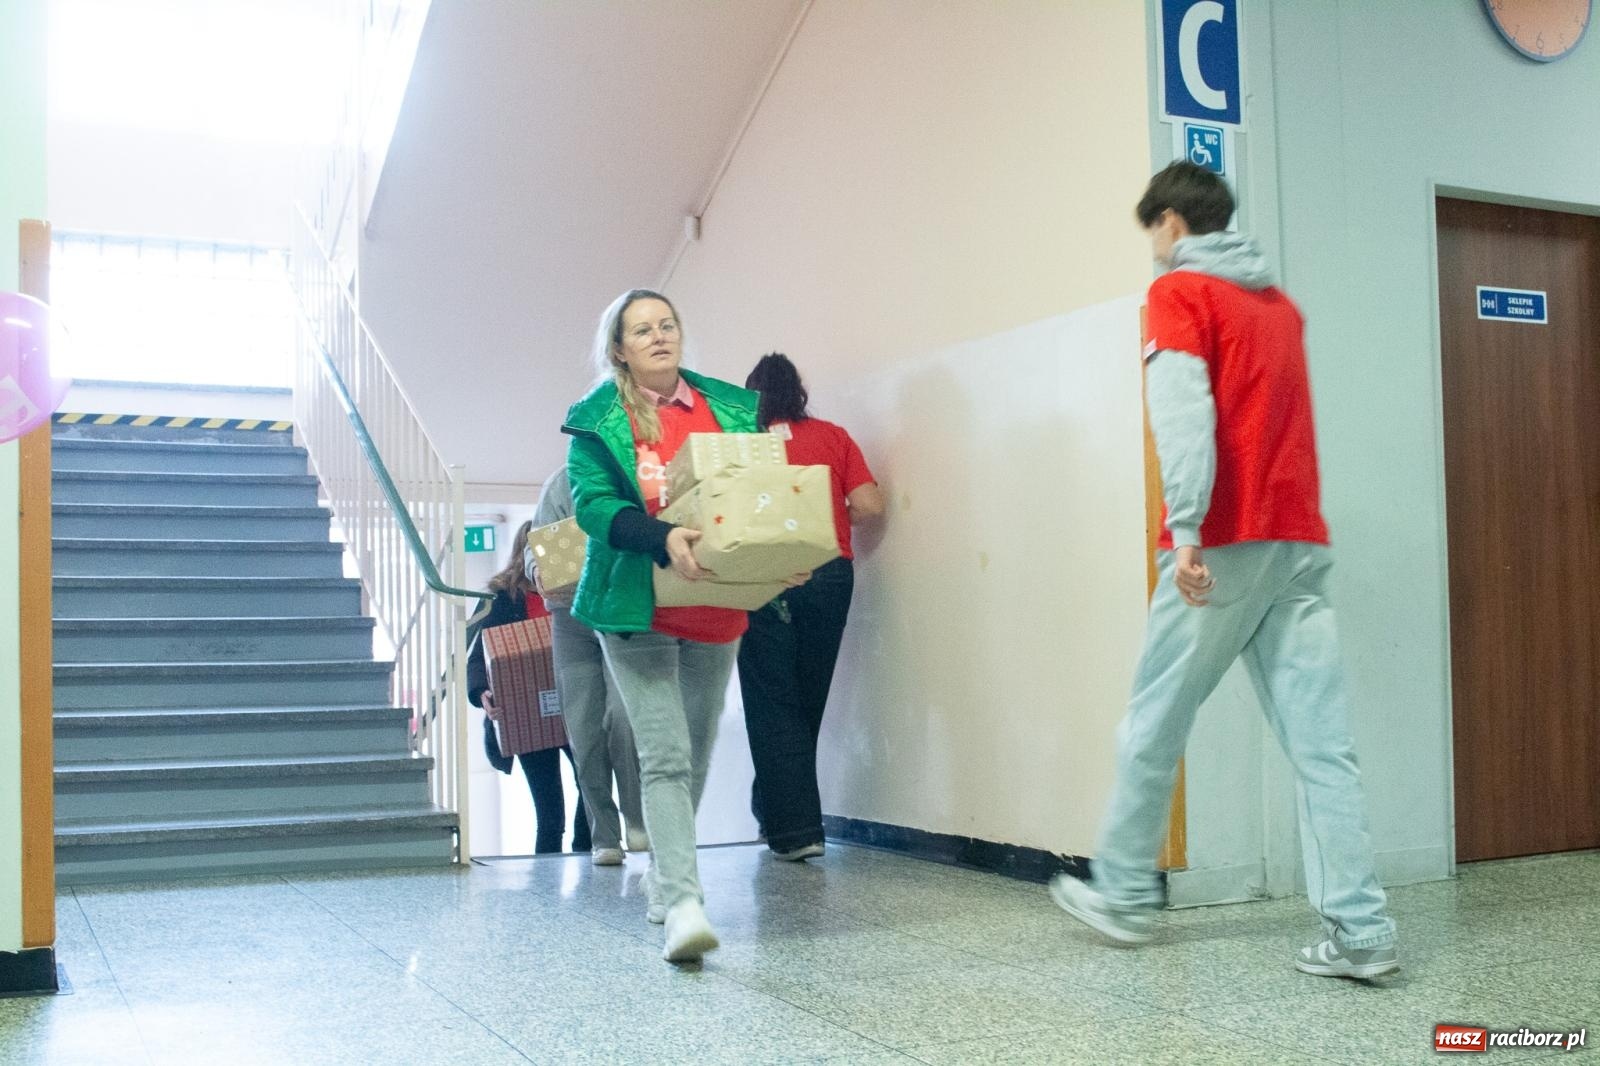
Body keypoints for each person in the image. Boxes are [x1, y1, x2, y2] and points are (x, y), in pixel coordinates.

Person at [1049, 161, 1400, 979]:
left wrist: (1185, 528)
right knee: (1324, 747)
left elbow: (1184, 417)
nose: (1153, 251)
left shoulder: (1181, 295)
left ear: (1171, 223)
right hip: (1300, 542)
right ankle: (1363, 930)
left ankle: (1126, 896)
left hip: (1227, 538)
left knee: (1153, 720)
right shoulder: (1280, 306)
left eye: (1153, 235)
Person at [561, 289, 808, 963]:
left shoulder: (726, 410)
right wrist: (662, 537)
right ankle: (684, 905)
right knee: (664, 756)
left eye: (667, 324)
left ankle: (665, 885)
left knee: (695, 753)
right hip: (632, 605)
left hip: (714, 602)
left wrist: (779, 555)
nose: (659, 336)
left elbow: (758, 498)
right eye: (642, 330)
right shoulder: (598, 421)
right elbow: (596, 508)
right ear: (620, 348)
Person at [737, 353, 884, 861]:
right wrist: (822, 515)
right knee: (806, 696)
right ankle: (774, 810)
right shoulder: (834, 437)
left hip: (764, 577)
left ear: (751, 394)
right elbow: (869, 506)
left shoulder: (742, 444)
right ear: (798, 390)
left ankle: (796, 831)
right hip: (829, 575)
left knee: (770, 698)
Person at [524, 466, 649, 866]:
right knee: (583, 729)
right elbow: (536, 545)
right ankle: (604, 837)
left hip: (622, 609)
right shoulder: (558, 483)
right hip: (570, 615)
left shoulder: (634, 475)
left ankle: (637, 817)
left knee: (623, 718)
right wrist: (536, 571)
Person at [467, 521, 591, 855]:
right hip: (526, 718)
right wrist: (483, 694)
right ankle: (546, 887)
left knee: (592, 790)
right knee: (550, 813)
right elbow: (479, 657)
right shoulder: (502, 598)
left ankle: (587, 855)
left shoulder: (574, 590)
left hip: (575, 709)